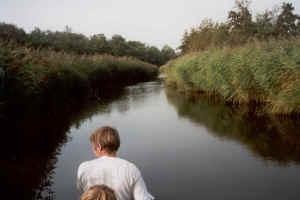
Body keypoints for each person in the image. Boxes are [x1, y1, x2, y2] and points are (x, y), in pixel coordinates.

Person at [77, 126, 154, 200]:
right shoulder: (130, 169)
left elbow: (84, 192)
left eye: (93, 147)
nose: (93, 150)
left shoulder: (83, 167)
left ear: (99, 147)